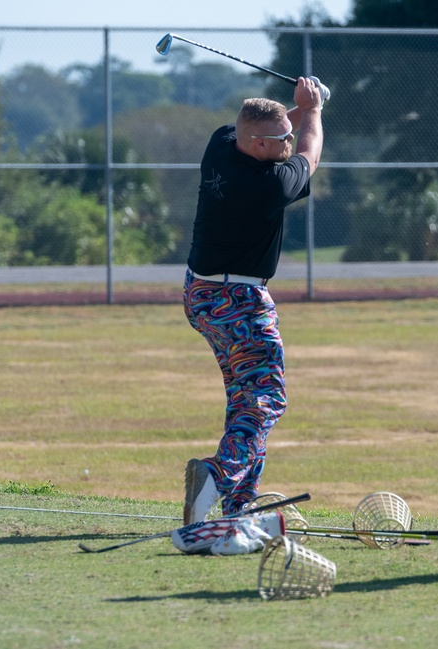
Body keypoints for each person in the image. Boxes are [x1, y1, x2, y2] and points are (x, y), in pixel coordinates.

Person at [181, 77, 325, 525]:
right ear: (260, 145)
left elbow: (276, 129)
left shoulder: (222, 142)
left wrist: (301, 106)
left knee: (244, 396)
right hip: (239, 298)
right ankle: (217, 474)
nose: (288, 139)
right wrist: (314, 112)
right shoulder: (271, 184)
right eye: (279, 137)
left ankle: (239, 503)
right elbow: (309, 153)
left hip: (200, 294)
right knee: (266, 396)